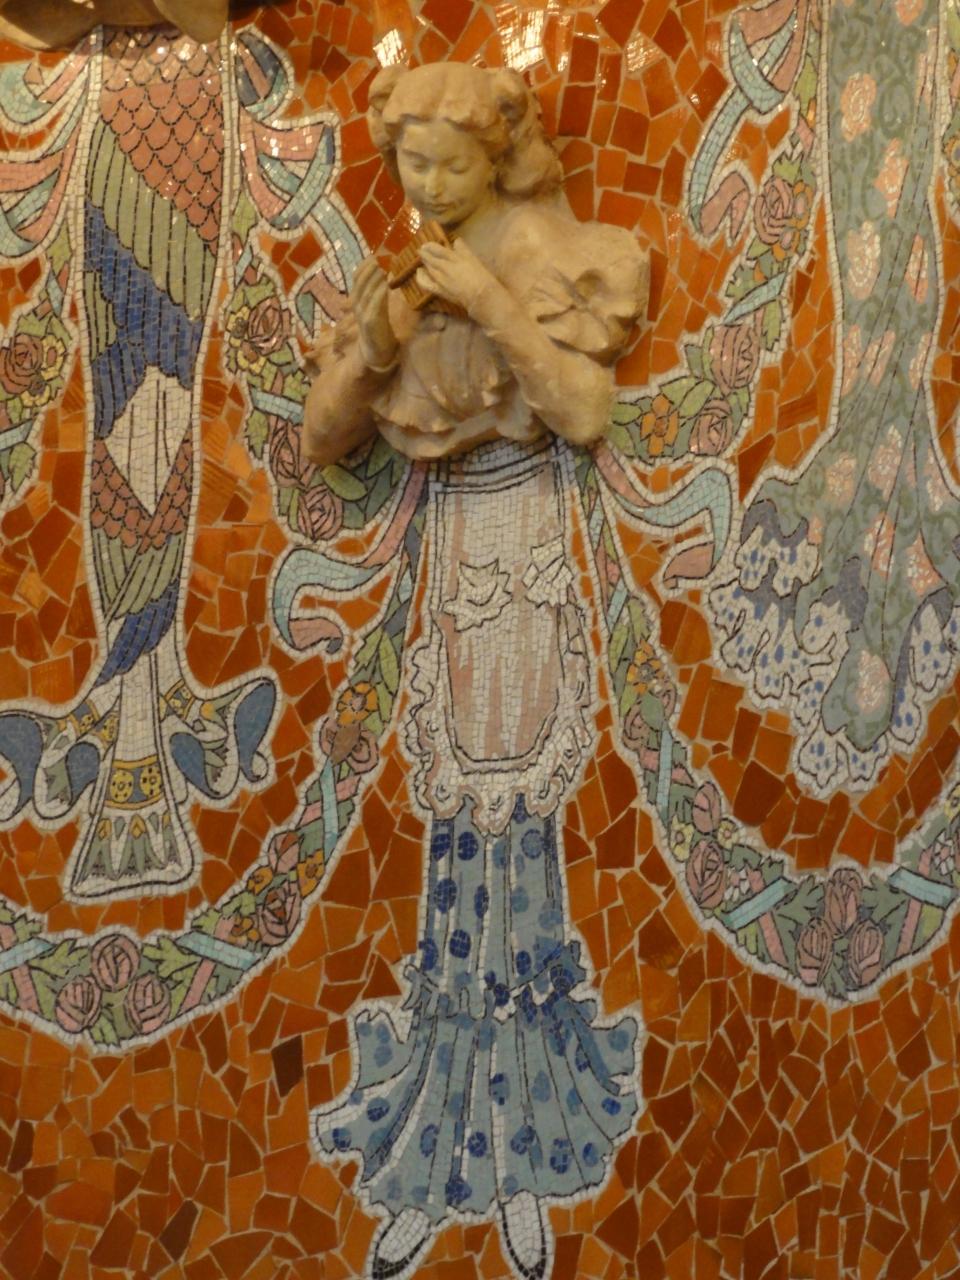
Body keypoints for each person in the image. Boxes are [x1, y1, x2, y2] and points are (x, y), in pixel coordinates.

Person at [305, 61, 648, 1280]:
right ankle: (442, 1137)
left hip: (529, 546)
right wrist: (376, 341)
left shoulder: (554, 255)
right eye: (413, 166)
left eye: (452, 165)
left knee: (523, 840)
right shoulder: (405, 269)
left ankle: (531, 1147)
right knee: (457, 839)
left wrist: (493, 304)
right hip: (451, 562)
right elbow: (323, 434)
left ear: (496, 158)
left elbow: (587, 409)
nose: (430, 187)